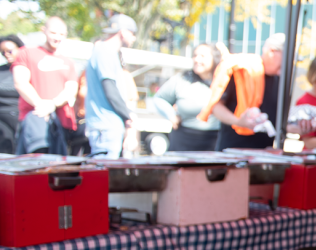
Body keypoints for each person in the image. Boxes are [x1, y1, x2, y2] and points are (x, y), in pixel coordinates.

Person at [199, 33, 285, 151]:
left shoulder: (280, 79)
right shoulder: (240, 69)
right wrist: (239, 121)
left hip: (263, 153)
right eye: (286, 57)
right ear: (272, 51)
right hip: (234, 150)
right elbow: (216, 107)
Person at [13, 17, 79, 155]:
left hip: (61, 123)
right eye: (53, 33)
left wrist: (53, 105)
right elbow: (21, 82)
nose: (57, 37)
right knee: (34, 164)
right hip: (35, 121)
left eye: (61, 34)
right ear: (44, 31)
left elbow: (71, 89)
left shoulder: (68, 61)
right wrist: (41, 105)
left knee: (59, 169)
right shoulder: (27, 53)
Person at [84, 14, 139, 158]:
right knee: (105, 175)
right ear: (123, 32)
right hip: (105, 127)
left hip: (109, 126)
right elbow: (110, 89)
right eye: (132, 34)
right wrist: (128, 115)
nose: (134, 38)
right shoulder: (104, 51)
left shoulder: (109, 53)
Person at [152, 43, 221, 151]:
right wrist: (171, 115)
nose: (197, 59)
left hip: (215, 142)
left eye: (202, 56)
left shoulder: (224, 81)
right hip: (183, 141)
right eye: (195, 55)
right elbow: (158, 98)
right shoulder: (182, 80)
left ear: (215, 59)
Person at [0, 35, 24, 152]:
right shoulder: (1, 71)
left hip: (21, 117)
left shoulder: (27, 70)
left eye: (9, 51)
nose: (6, 55)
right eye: (2, 52)